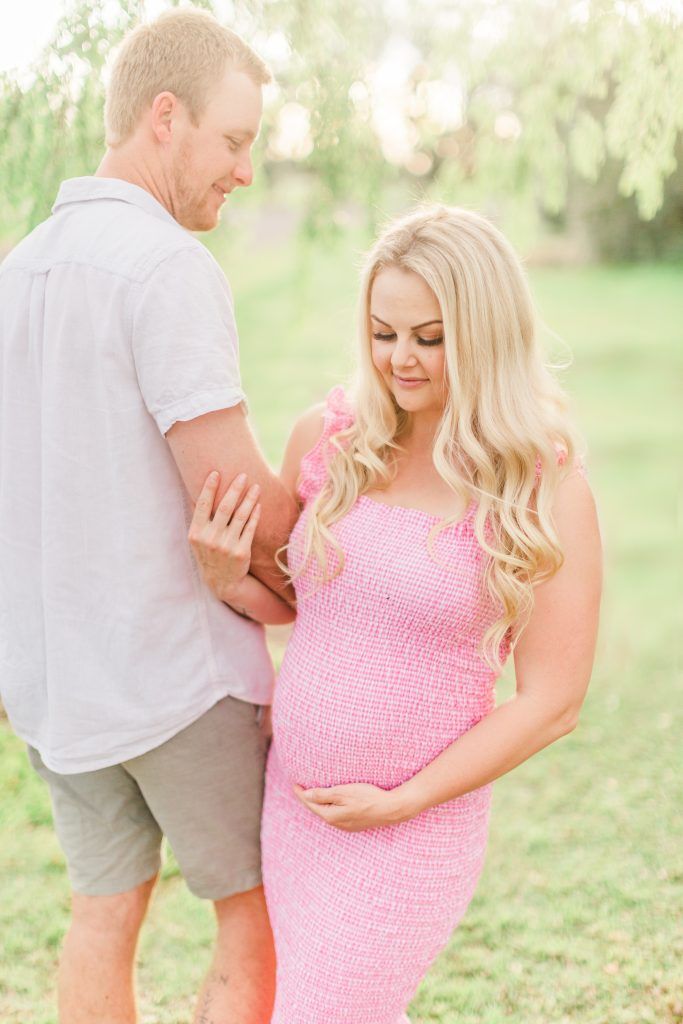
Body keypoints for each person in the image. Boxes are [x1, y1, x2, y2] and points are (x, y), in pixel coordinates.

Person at [188, 204, 603, 1023]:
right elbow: (313, 609)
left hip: (411, 831)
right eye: (383, 332)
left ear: (485, 336)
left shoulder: (542, 487)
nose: (399, 358)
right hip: (295, 807)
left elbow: (553, 702)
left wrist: (404, 800)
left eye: (430, 337)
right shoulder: (330, 440)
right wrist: (228, 580)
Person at [0, 9, 297, 1024]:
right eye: (234, 139)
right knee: (255, 916)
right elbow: (236, 499)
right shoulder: (165, 266)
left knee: (100, 913)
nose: (244, 170)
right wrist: (336, 532)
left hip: (57, 682)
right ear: (164, 117)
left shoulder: (16, 272)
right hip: (177, 675)